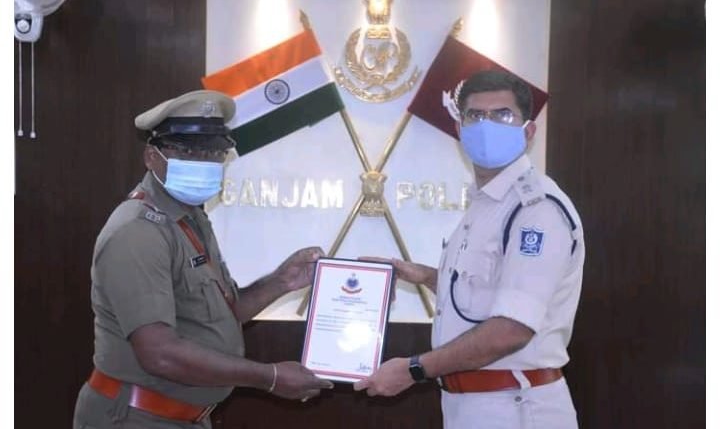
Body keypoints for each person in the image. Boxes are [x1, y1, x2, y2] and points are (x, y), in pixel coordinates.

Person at [73, 90, 334, 429]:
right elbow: (159, 354)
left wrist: (281, 281)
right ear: (151, 156)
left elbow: (224, 310)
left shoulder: (190, 217)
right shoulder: (138, 232)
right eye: (188, 152)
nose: (203, 162)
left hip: (185, 419)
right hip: (136, 418)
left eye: (213, 153)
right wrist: (268, 377)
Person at [354, 70, 585, 429]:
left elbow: (511, 330)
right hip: (472, 406)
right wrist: (423, 276)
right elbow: (484, 295)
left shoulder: (536, 209)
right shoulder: (488, 203)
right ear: (459, 130)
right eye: (475, 115)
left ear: (528, 132)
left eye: (502, 115)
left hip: (516, 407)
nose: (486, 126)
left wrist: (414, 369)